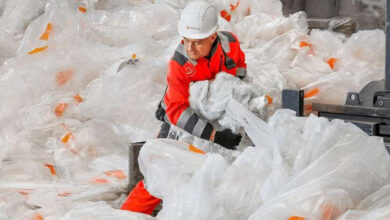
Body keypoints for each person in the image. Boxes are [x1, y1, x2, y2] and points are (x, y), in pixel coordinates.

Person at [121, 0, 247, 215]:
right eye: (186, 41)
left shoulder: (230, 44)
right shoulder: (179, 63)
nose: (190, 48)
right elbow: (177, 112)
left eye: (197, 42)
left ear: (213, 36)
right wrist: (216, 136)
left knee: (217, 172)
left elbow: (240, 72)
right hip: (182, 118)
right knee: (162, 169)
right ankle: (127, 215)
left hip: (215, 116)